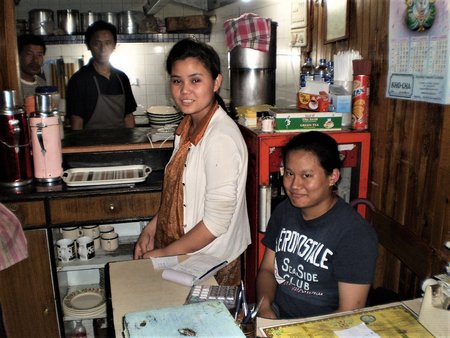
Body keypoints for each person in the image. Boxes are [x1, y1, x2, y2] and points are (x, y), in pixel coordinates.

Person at [134, 38, 251, 286]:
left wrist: (165, 253)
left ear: (216, 82)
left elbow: (215, 224)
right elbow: (180, 193)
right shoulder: (187, 125)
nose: (185, 90)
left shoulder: (221, 138)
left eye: (195, 80)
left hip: (211, 265)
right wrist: (152, 229)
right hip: (186, 255)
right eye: (177, 81)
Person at [256, 131, 378, 319]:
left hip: (323, 328)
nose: (295, 185)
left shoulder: (355, 234)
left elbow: (348, 313)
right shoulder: (285, 210)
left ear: (333, 177)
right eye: (289, 173)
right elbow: (267, 270)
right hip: (279, 315)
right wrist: (264, 308)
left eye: (306, 175)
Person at [66, 20, 137, 130]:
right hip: (91, 145)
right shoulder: (78, 80)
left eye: (108, 43)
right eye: (97, 43)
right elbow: (77, 121)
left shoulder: (122, 78)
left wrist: (132, 145)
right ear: (88, 45)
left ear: (114, 45)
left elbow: (128, 117)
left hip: (121, 143)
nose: (103, 49)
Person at [17, 34, 47, 101]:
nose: (35, 59)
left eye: (39, 55)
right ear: (18, 56)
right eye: (29, 54)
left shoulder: (42, 83)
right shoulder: (11, 83)